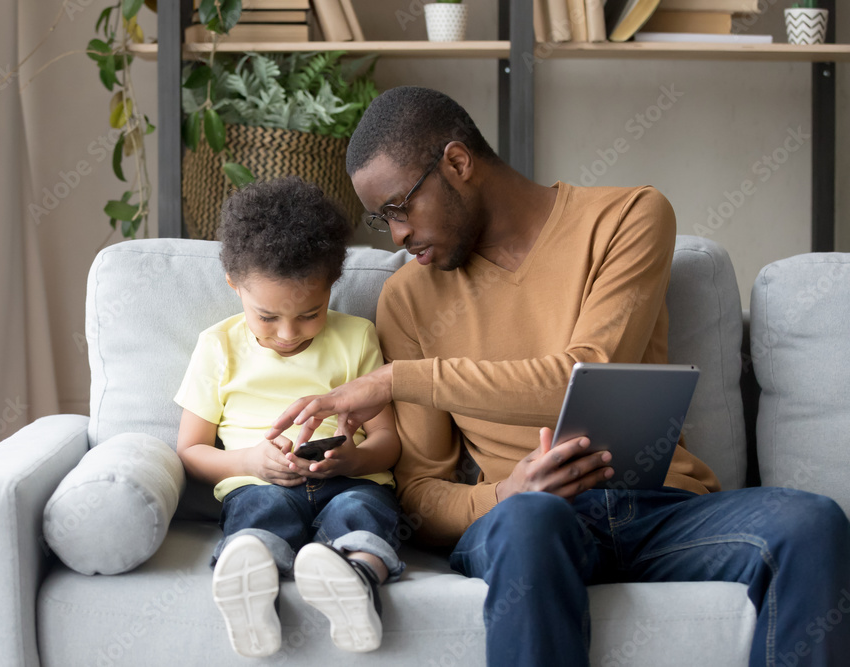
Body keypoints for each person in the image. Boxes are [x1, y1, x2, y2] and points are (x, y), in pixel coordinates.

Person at [266, 86, 850, 666]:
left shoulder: (627, 218)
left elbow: (581, 371)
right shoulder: (408, 299)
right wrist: (503, 493)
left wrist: (399, 379)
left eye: (399, 207)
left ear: (458, 163)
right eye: (381, 218)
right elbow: (419, 493)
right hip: (529, 520)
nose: (396, 234)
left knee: (812, 522)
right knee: (530, 520)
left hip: (660, 508)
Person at [173, 176, 403, 659]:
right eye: (268, 317)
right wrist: (251, 463)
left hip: (350, 481)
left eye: (310, 313)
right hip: (260, 484)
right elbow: (190, 452)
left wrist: (353, 459)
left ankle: (356, 582)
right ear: (234, 285)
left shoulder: (358, 338)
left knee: (361, 512)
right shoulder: (218, 347)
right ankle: (250, 586)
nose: (287, 333)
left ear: (332, 286)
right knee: (261, 514)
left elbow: (389, 440)